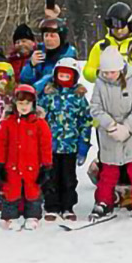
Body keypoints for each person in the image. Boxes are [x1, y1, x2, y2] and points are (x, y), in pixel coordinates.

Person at [89, 46, 132, 217]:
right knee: (109, 170)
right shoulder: (100, 83)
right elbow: (95, 107)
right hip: (110, 133)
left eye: (112, 72)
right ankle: (104, 200)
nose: (108, 76)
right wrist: (110, 125)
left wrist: (127, 127)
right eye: (105, 72)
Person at [0, 83, 52, 228]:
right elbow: (0, 144)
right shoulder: (7, 123)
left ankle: (32, 216)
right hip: (11, 166)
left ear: (33, 104)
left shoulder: (40, 124)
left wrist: (46, 166)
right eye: (20, 103)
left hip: (32, 166)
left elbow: (46, 146)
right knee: (10, 190)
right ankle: (10, 217)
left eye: (27, 103)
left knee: (33, 190)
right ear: (15, 104)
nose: (24, 106)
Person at [39, 58, 92, 220]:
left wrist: (83, 144)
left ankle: (68, 206)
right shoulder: (49, 96)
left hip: (70, 146)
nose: (63, 79)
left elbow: (85, 121)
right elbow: (39, 118)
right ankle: (52, 206)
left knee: (69, 178)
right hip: (51, 146)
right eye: (61, 76)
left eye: (67, 76)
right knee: (51, 177)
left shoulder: (78, 98)